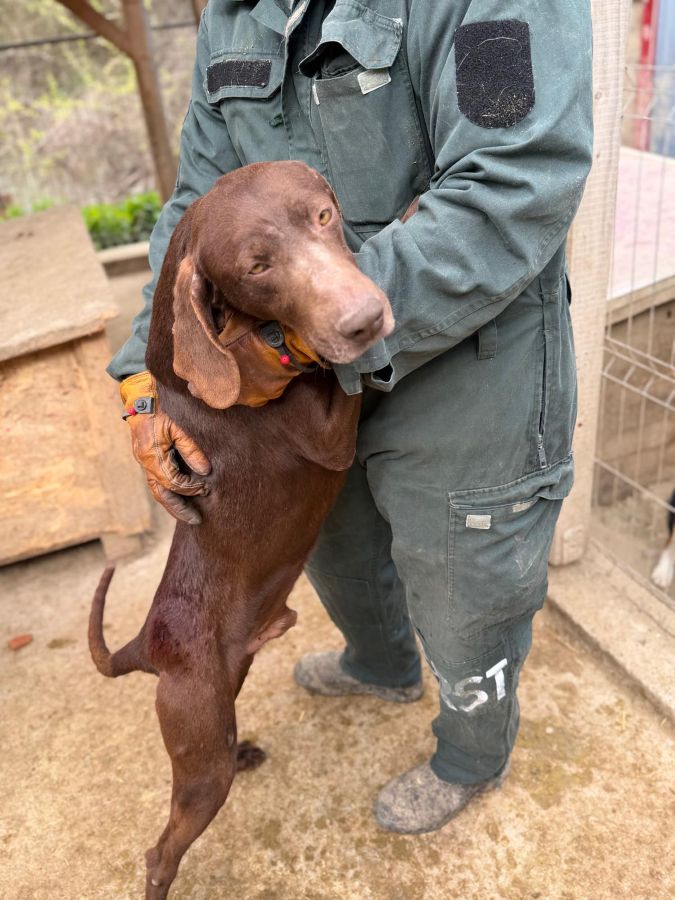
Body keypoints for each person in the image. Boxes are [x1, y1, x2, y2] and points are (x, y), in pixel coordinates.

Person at [109, 0, 593, 834]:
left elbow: (514, 184)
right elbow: (195, 205)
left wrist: (290, 343)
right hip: (301, 391)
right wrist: (141, 380)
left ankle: (469, 753)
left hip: (469, 361)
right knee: (338, 549)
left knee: (466, 587)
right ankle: (380, 664)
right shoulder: (234, 17)